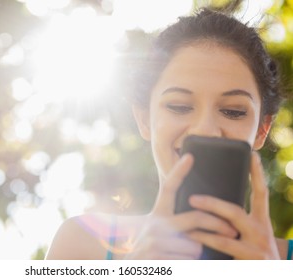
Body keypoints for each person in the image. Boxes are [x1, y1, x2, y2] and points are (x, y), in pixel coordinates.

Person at [45, 7, 293, 260]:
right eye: (179, 106)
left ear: (263, 129)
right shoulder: (81, 243)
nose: (204, 129)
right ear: (144, 119)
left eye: (232, 111)